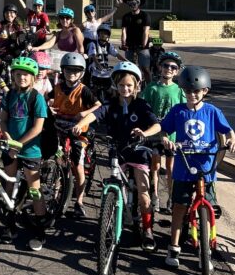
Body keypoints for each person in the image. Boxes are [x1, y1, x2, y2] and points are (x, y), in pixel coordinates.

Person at [160, 65, 235, 268]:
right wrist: (165, 141)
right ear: (183, 91)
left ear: (205, 91)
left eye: (196, 91)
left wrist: (233, 140)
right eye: (188, 91)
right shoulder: (178, 111)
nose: (192, 95)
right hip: (184, 166)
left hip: (206, 167)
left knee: (207, 208)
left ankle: (205, 248)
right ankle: (174, 245)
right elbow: (163, 131)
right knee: (179, 207)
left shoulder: (212, 111)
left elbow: (228, 130)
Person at [91, 61, 161, 251]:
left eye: (129, 85)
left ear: (137, 85)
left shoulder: (141, 105)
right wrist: (81, 124)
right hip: (118, 151)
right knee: (114, 186)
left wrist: (145, 134)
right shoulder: (111, 104)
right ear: (115, 84)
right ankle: (112, 223)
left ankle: (148, 230)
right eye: (121, 85)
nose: (125, 88)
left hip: (138, 151)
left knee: (143, 194)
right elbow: (95, 114)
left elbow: (157, 125)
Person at [0, 56, 49, 251]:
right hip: (11, 148)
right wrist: (8, 137)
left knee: (35, 190)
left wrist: (18, 144)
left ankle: (40, 229)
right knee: (8, 186)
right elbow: (3, 120)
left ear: (33, 77)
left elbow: (37, 128)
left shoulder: (37, 98)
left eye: (26, 74)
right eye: (18, 74)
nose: (22, 77)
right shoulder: (9, 95)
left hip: (30, 150)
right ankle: (9, 224)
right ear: (13, 75)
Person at [49, 52, 101, 217]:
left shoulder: (83, 90)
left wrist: (85, 113)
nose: (72, 74)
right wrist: (48, 107)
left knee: (77, 166)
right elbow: (46, 100)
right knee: (54, 158)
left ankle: (79, 200)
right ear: (63, 71)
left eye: (76, 71)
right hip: (59, 127)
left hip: (77, 130)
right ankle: (55, 192)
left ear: (82, 72)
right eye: (69, 70)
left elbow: (98, 105)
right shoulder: (56, 88)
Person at [140, 50, 186, 211]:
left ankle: (171, 197)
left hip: (172, 136)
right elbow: (143, 109)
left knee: (171, 168)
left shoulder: (180, 91)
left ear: (177, 71)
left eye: (173, 67)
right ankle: (155, 195)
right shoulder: (152, 88)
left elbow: (184, 112)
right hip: (155, 135)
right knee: (155, 165)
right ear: (160, 67)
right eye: (166, 65)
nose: (169, 69)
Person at [120, 0, 152, 80]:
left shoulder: (145, 15)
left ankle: (150, 85)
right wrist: (123, 44)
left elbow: (146, 31)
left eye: (134, 3)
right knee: (130, 68)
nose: (133, 5)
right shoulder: (126, 17)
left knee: (145, 68)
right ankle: (133, 85)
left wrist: (144, 45)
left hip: (142, 46)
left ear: (138, 4)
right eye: (130, 4)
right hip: (130, 45)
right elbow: (124, 31)